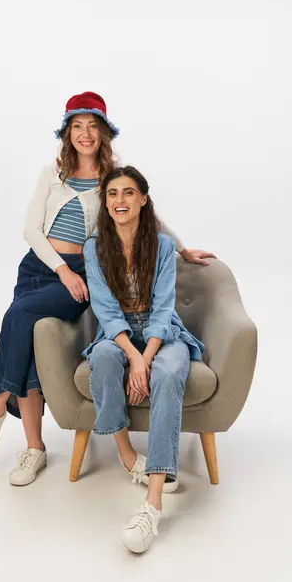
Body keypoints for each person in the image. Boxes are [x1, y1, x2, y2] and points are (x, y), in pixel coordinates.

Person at [0, 91, 215, 487]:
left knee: (17, 316)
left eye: (92, 126)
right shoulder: (53, 171)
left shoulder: (112, 176)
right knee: (27, 343)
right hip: (40, 267)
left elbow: (148, 214)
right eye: (77, 126)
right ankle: (34, 448)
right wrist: (60, 269)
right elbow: (32, 229)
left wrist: (182, 248)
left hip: (82, 270)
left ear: (103, 133)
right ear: (67, 132)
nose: (85, 134)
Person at [83, 165, 205, 553]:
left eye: (129, 193)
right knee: (101, 358)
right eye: (113, 194)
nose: (120, 200)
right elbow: (105, 309)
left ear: (143, 199)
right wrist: (133, 357)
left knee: (167, 375)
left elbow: (164, 308)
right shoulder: (94, 247)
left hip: (163, 333)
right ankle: (125, 454)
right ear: (105, 202)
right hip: (118, 334)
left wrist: (146, 357)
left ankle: (152, 504)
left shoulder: (164, 246)